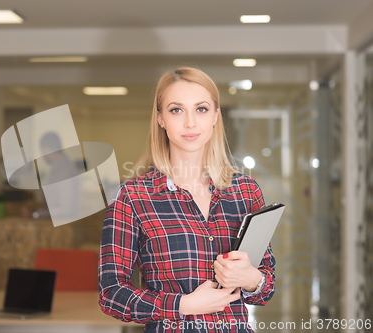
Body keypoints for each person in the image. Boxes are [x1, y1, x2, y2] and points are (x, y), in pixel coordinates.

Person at [98, 67, 275, 333]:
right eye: (176, 110)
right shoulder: (132, 197)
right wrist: (183, 304)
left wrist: (252, 279)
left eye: (201, 109)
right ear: (160, 119)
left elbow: (265, 287)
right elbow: (111, 294)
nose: (190, 122)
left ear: (215, 116)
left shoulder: (246, 190)